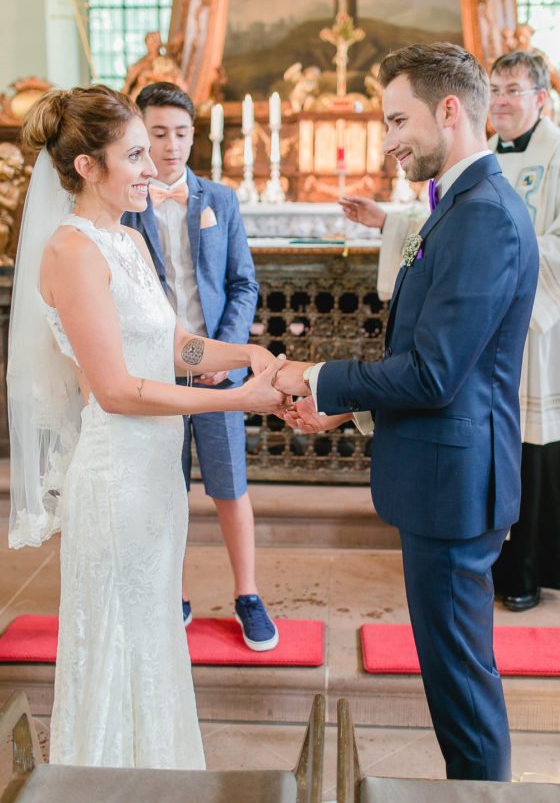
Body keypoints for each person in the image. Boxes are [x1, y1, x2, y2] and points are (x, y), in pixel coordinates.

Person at [274, 43, 539, 781]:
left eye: (397, 120)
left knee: (462, 687)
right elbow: (440, 365)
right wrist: (348, 415)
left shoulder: (482, 213)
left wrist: (319, 376)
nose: (387, 139)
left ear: (449, 110)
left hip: (456, 489)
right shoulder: (455, 203)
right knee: (454, 677)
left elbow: (433, 373)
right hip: (444, 473)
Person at [7, 85, 286, 768]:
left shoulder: (126, 240)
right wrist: (236, 399)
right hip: (117, 483)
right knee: (118, 642)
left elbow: (171, 346)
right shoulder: (72, 253)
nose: (151, 167)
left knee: (154, 638)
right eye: (134, 154)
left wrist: (243, 353)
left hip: (155, 481)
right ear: (87, 168)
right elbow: (118, 390)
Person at [122, 81, 278, 651]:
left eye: (181, 133)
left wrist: (227, 353)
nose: (171, 146)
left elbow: (243, 283)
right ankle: (175, 594)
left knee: (230, 487)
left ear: (195, 135)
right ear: (139, 135)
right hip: (153, 371)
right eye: (158, 133)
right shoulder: (126, 202)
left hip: (217, 371)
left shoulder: (221, 200)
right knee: (165, 488)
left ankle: (248, 595)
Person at [488, 51, 560, 612]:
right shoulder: (481, 157)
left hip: (537, 330)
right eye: (492, 90)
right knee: (494, 444)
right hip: (487, 328)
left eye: (512, 89)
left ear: (541, 97)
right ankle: (489, 559)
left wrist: (507, 261)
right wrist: (390, 223)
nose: (501, 101)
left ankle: (526, 568)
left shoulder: (557, 153)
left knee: (532, 448)